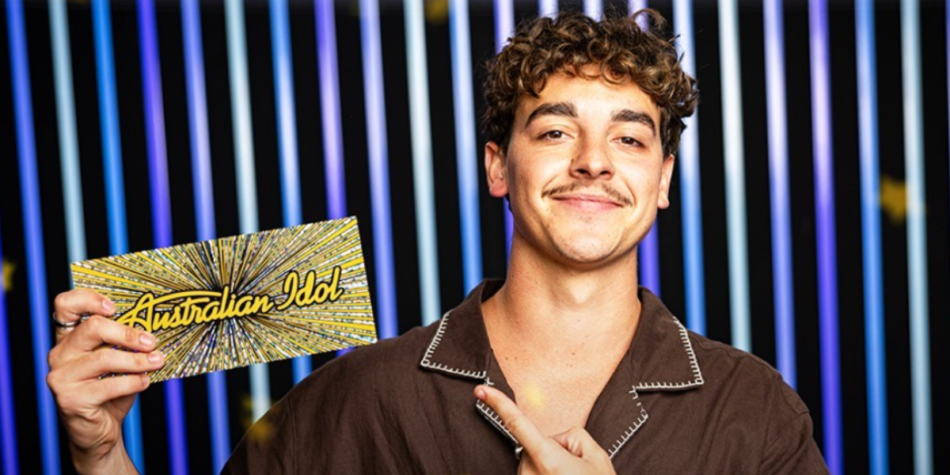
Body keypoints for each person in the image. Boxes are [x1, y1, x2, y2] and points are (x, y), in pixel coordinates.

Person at [47, 10, 829, 474]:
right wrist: (100, 449)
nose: (593, 160)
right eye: (556, 130)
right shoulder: (358, 399)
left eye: (629, 139)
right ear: (498, 165)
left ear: (661, 179)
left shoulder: (753, 413)